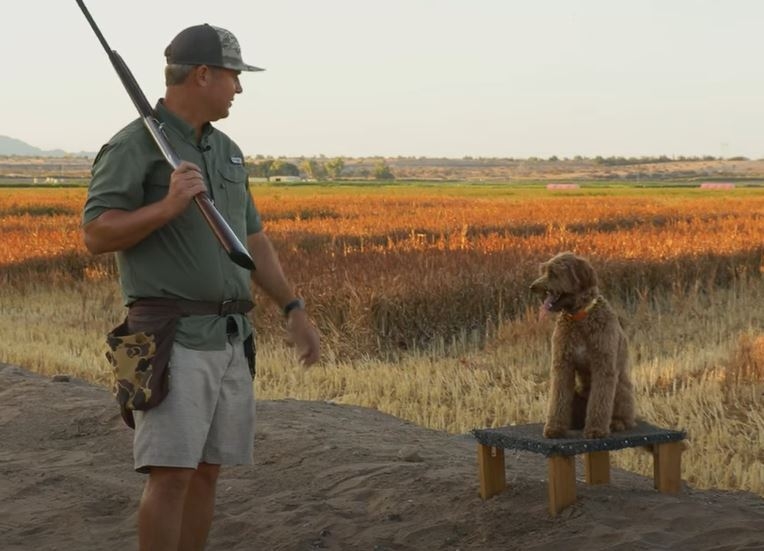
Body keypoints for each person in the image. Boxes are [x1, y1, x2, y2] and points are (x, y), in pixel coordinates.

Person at [82, 23, 320, 551]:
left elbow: (252, 241)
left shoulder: (229, 150)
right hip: (171, 333)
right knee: (170, 475)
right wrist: (167, 206)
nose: (239, 88)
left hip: (232, 335)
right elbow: (96, 234)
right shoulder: (132, 146)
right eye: (234, 76)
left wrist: (293, 308)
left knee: (209, 470)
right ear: (204, 74)